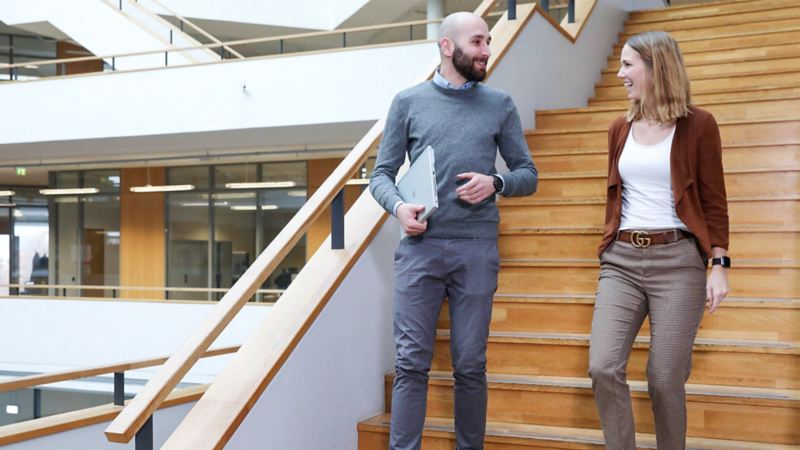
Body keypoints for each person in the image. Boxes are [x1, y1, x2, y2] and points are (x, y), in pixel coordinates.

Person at [369, 11, 537, 450]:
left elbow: (528, 174)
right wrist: (400, 207)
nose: (486, 51)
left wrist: (496, 182)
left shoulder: (500, 104)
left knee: (470, 366)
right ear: (448, 47)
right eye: (478, 42)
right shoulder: (407, 102)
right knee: (410, 365)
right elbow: (380, 175)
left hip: (477, 249)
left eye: (487, 43)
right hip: (420, 250)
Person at [588, 31, 730, 450]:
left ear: (656, 68)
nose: (620, 74)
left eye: (629, 65)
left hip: (679, 261)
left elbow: (714, 200)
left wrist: (719, 264)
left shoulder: (698, 125)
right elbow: (617, 194)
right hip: (622, 262)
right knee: (602, 366)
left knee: (665, 379)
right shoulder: (620, 127)